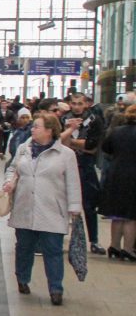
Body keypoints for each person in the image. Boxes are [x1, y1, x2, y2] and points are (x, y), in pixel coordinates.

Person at [3, 113, 82, 306]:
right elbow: (12, 168)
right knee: (24, 247)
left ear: (49, 130)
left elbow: (73, 183)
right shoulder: (24, 150)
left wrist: (74, 208)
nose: (32, 129)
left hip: (52, 209)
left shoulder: (66, 154)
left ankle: (56, 289)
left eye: (36, 126)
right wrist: (8, 182)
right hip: (25, 206)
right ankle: (22, 279)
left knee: (53, 250)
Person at [59, 92, 106, 254]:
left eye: (80, 103)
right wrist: (73, 140)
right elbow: (57, 144)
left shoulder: (95, 120)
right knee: (62, 203)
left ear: (86, 104)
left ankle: (94, 240)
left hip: (85, 167)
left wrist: (69, 138)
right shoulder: (63, 119)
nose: (77, 107)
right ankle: (59, 237)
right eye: (74, 103)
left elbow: (91, 146)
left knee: (89, 205)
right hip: (64, 167)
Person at [98, 104, 136, 261]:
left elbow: (106, 148)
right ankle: (128, 249)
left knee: (117, 214)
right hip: (134, 175)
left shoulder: (117, 131)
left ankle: (114, 246)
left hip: (116, 173)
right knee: (131, 215)